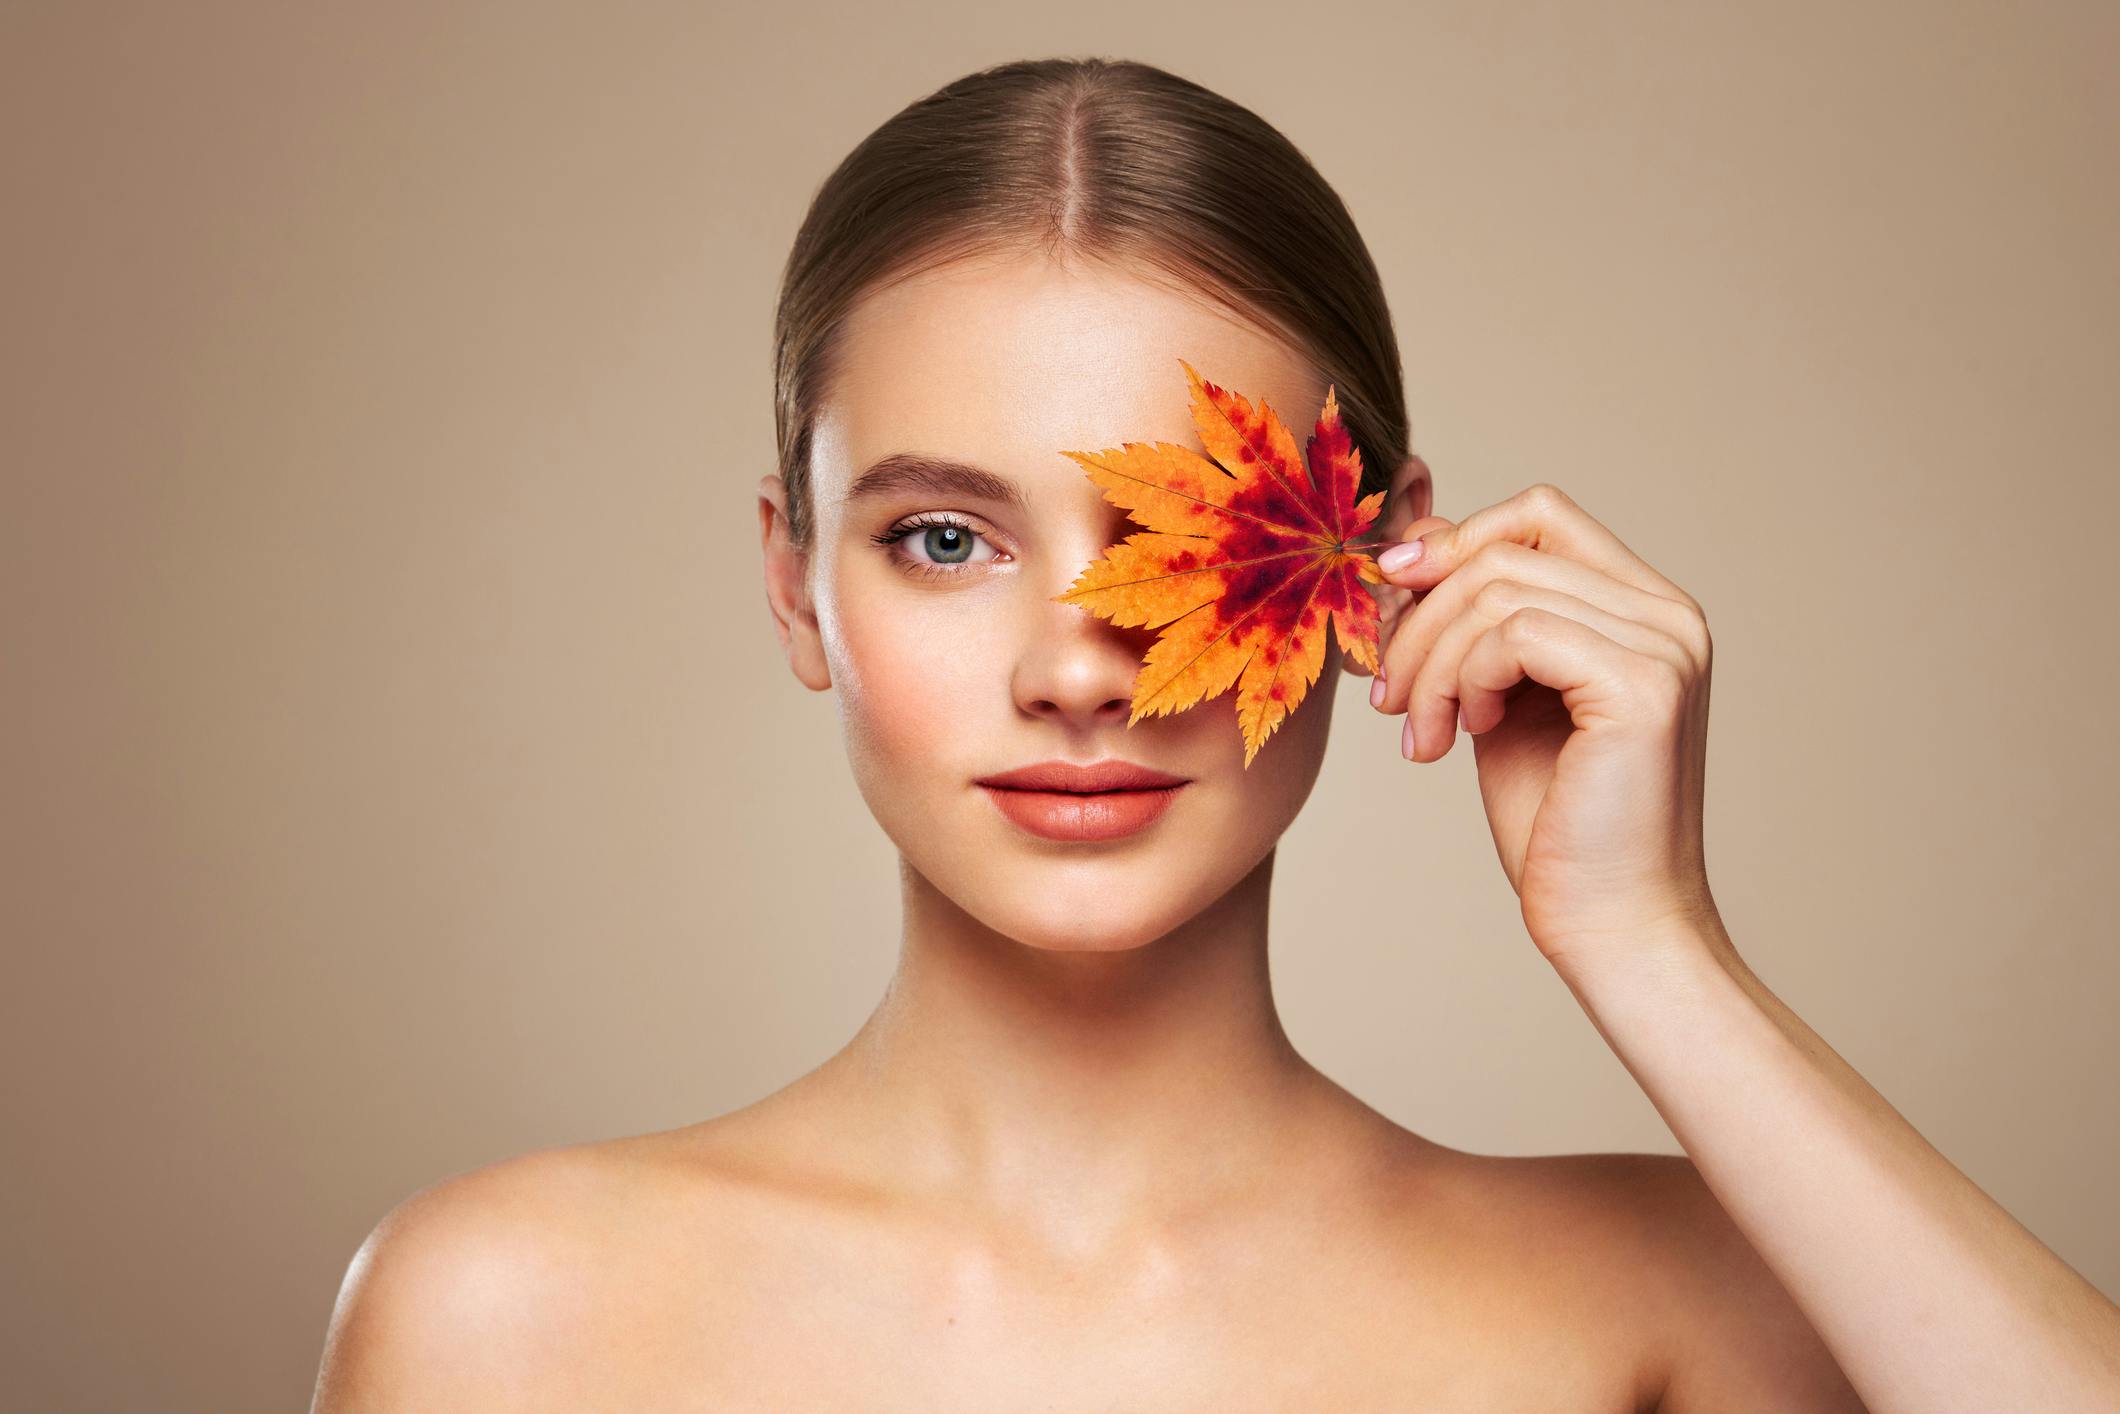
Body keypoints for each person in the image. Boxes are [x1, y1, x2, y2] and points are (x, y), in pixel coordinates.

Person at [310, 56, 2120, 1410]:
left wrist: (1654, 946)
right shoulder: (509, 1316)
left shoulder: (1683, 1297)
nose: (1082, 670)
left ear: (1380, 557)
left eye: (1189, 536)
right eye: (944, 540)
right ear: (796, 584)